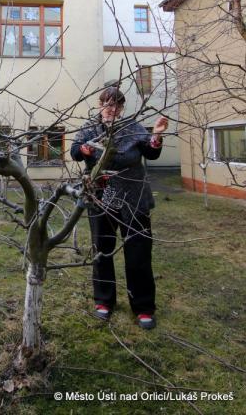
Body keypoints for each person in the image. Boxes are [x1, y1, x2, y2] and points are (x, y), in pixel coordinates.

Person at [71, 85, 168, 329]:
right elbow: (75, 152)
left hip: (134, 197)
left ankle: (143, 307)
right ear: (99, 105)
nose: (110, 109)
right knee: (102, 250)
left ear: (122, 107)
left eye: (115, 104)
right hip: (100, 197)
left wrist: (156, 136)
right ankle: (104, 301)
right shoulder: (90, 128)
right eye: (106, 104)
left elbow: (151, 152)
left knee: (138, 252)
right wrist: (83, 149)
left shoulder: (133, 127)